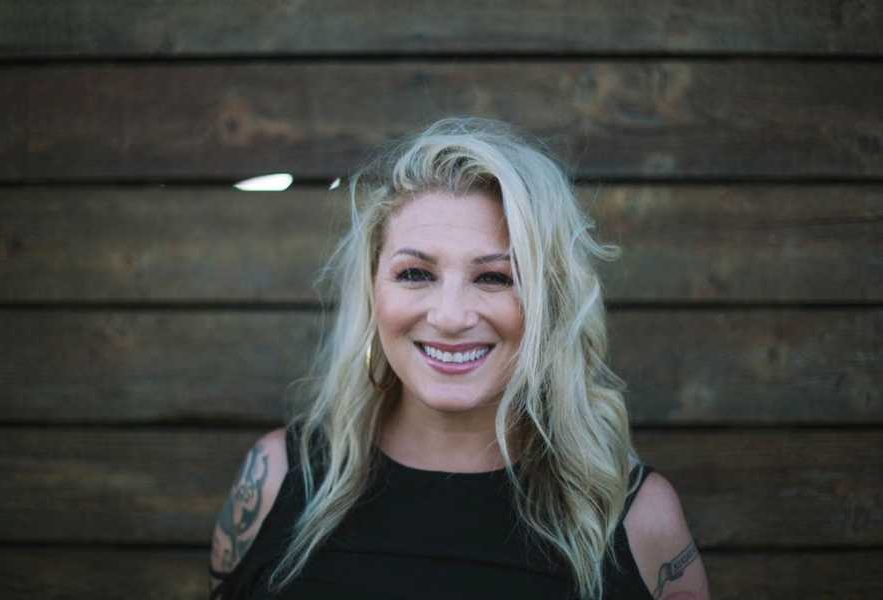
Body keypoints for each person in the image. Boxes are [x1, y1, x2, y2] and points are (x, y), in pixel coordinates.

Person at [208, 117, 711, 599]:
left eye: (495, 277)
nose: (449, 317)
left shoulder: (638, 517)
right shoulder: (272, 479)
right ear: (372, 290)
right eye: (415, 274)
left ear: (550, 301)